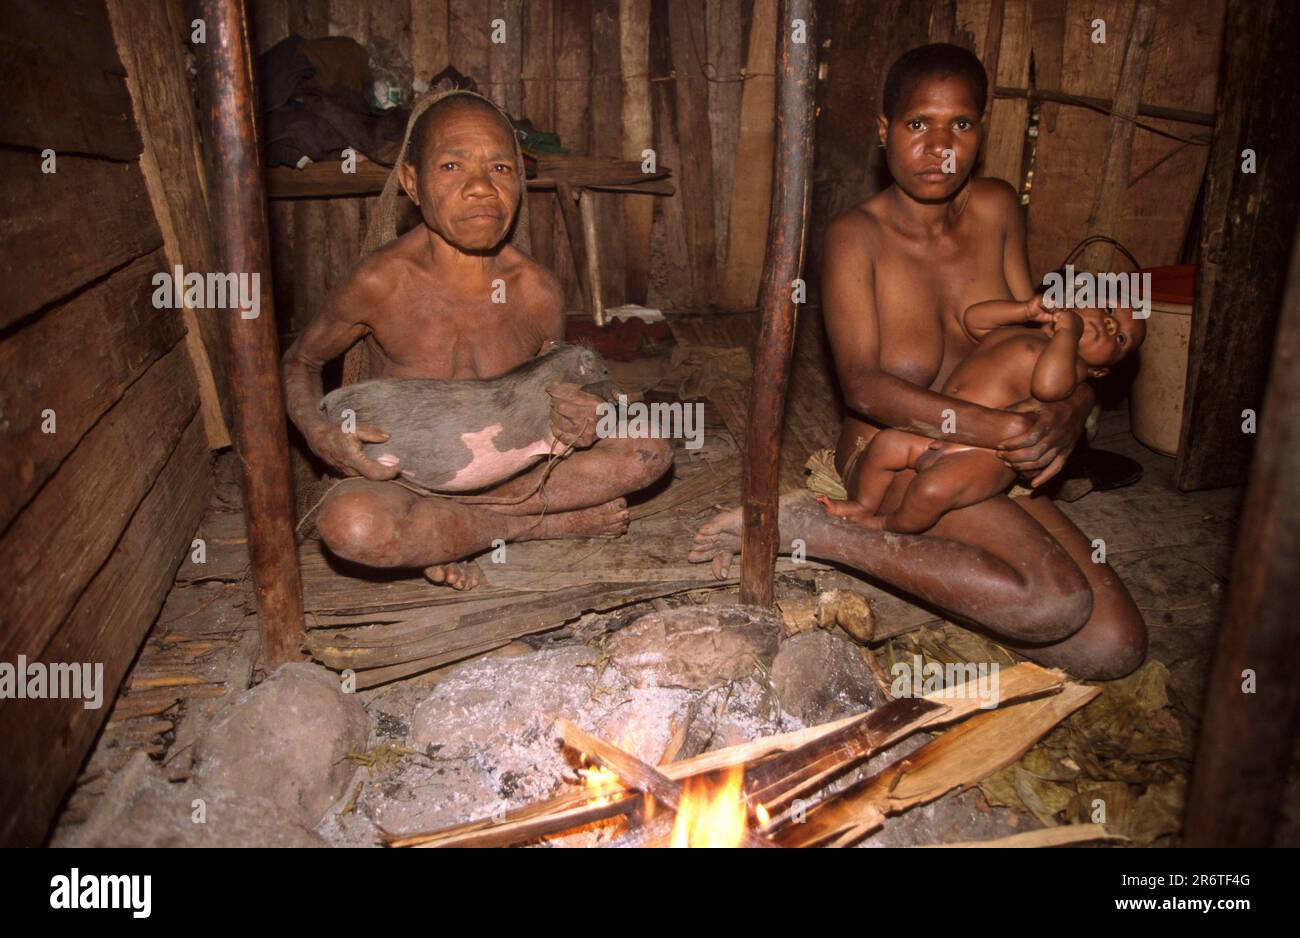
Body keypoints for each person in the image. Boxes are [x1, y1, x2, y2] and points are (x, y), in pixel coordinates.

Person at [690, 43, 1147, 680]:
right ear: (884, 132)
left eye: (960, 124)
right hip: (890, 456)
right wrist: (999, 429)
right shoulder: (857, 236)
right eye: (917, 125)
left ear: (981, 132)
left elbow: (1045, 332)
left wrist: (1069, 411)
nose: (940, 147)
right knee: (1054, 602)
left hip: (990, 464)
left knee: (1114, 647)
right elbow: (865, 389)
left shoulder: (997, 209)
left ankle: (935, 574)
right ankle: (823, 534)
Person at [282, 89, 673, 590]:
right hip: (404, 478)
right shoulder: (381, 282)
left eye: (501, 169)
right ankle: (533, 526)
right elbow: (301, 362)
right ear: (412, 183)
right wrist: (321, 436)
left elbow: (560, 384)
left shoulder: (536, 291)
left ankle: (461, 531)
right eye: (450, 167)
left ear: (521, 180)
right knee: (353, 526)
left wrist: (589, 412)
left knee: (649, 449)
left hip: (513, 477)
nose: (480, 188)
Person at [818, 295, 1146, 532]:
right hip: (939, 430)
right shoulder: (1025, 329)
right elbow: (974, 319)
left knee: (930, 491)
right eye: (1108, 309)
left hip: (985, 454)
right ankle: (863, 504)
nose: (1109, 323)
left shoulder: (1071, 365)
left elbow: (1049, 389)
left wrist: (1069, 334)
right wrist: (1025, 308)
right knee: (885, 444)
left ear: (1101, 372)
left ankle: (886, 525)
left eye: (1119, 337)